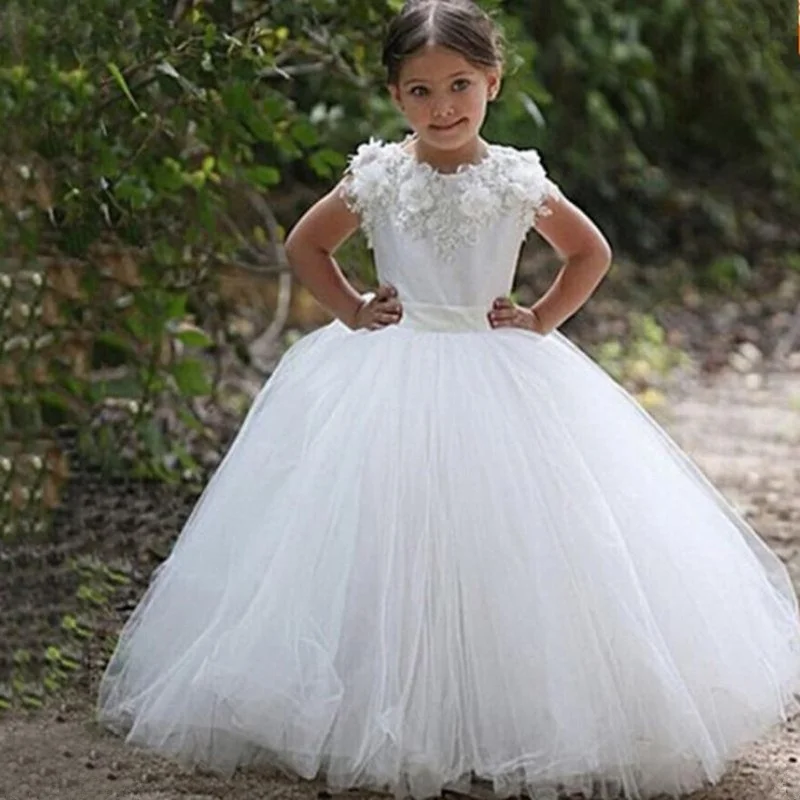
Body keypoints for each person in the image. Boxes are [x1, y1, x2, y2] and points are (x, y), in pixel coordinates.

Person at [95, 2, 800, 799]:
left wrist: (539, 318)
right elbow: (305, 243)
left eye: (460, 85)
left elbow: (588, 251)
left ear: (492, 83)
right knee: (387, 535)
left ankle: (501, 710)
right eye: (421, 91)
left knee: (509, 538)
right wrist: (355, 307)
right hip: (391, 370)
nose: (443, 107)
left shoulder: (512, 178)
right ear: (396, 96)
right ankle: (382, 705)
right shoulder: (379, 175)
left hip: (496, 367)